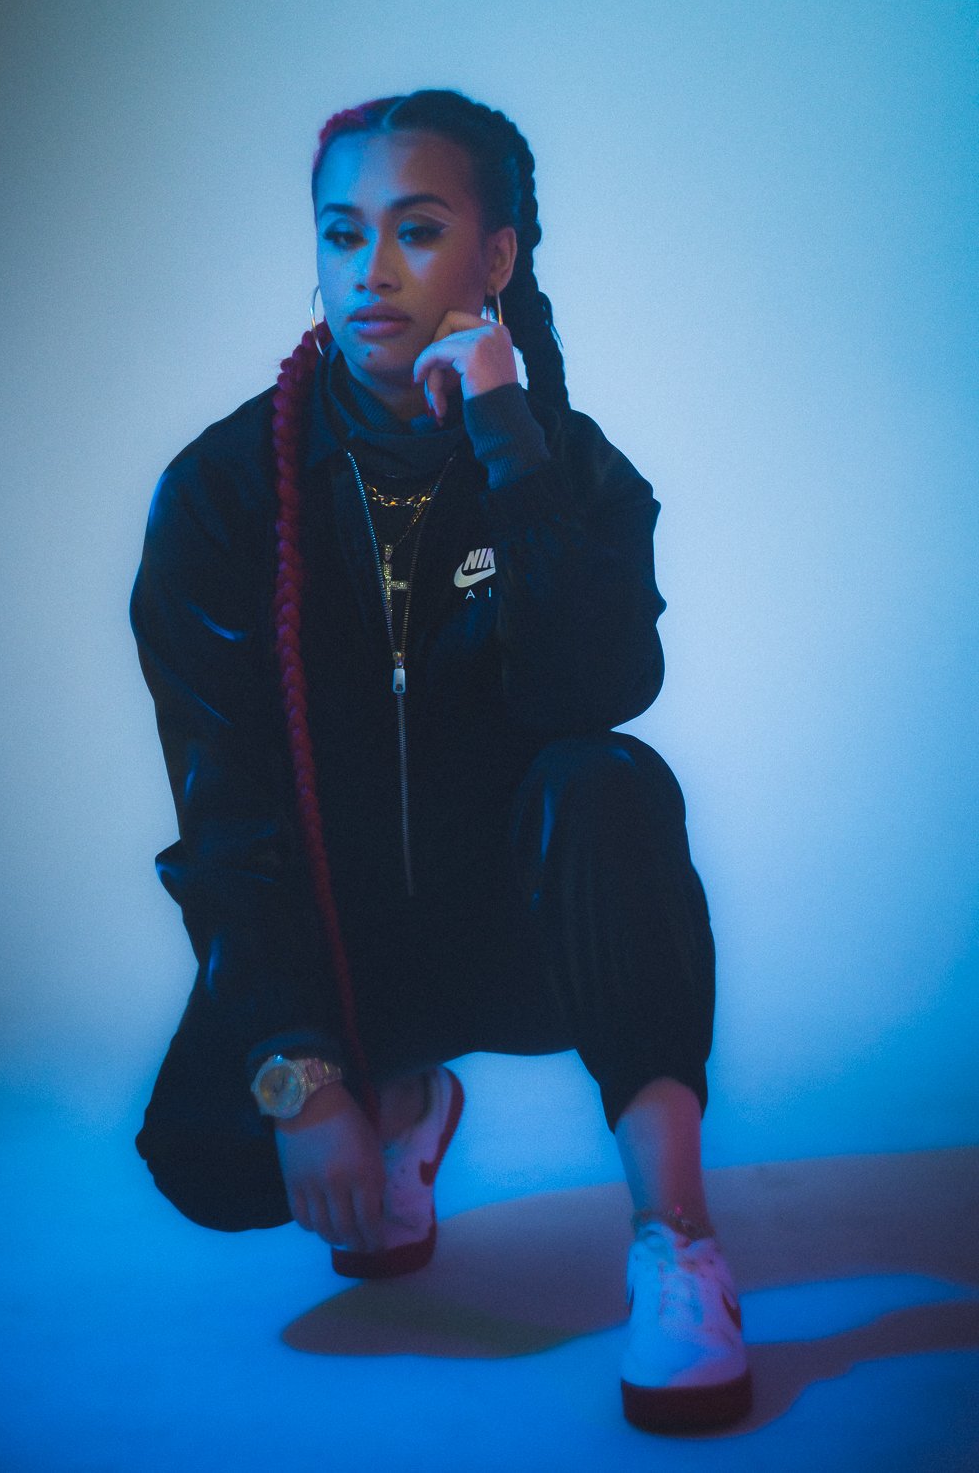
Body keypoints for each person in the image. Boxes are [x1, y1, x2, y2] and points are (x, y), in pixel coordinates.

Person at [129, 88, 752, 1433]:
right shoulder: (223, 494)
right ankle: (402, 1097)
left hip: (526, 930)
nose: (371, 270)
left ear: (497, 256)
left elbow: (598, 693)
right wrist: (303, 1074)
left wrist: (508, 437)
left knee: (611, 784)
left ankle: (677, 1241)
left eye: (416, 230)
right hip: (349, 943)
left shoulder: (572, 470)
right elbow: (223, 808)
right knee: (208, 1156)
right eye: (342, 232)